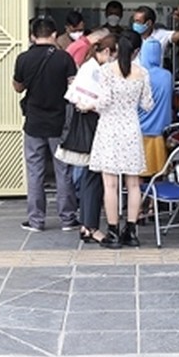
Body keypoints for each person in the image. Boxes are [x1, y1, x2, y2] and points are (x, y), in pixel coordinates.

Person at [14, 17, 79, 233]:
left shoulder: (23, 58)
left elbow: (18, 87)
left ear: (33, 35)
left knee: (35, 172)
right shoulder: (64, 58)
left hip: (33, 123)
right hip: (60, 122)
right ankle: (68, 219)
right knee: (63, 170)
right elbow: (74, 88)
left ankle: (36, 221)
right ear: (53, 34)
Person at [90, 30, 154, 249]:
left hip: (109, 128)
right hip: (131, 129)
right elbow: (147, 104)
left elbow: (104, 101)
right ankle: (132, 231)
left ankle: (114, 232)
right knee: (134, 183)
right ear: (137, 51)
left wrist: (90, 103)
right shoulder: (143, 73)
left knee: (110, 184)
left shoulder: (107, 71)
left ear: (117, 48)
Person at [67, 34, 117, 244]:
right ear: (106, 52)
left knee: (90, 176)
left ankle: (87, 226)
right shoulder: (96, 71)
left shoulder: (89, 66)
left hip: (87, 124)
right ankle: (92, 227)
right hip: (92, 125)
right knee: (93, 177)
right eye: (114, 55)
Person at [138, 38, 173, 180]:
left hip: (140, 133)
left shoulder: (139, 75)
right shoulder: (167, 76)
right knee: (157, 175)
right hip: (160, 133)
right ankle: (154, 201)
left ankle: (140, 200)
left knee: (137, 175)